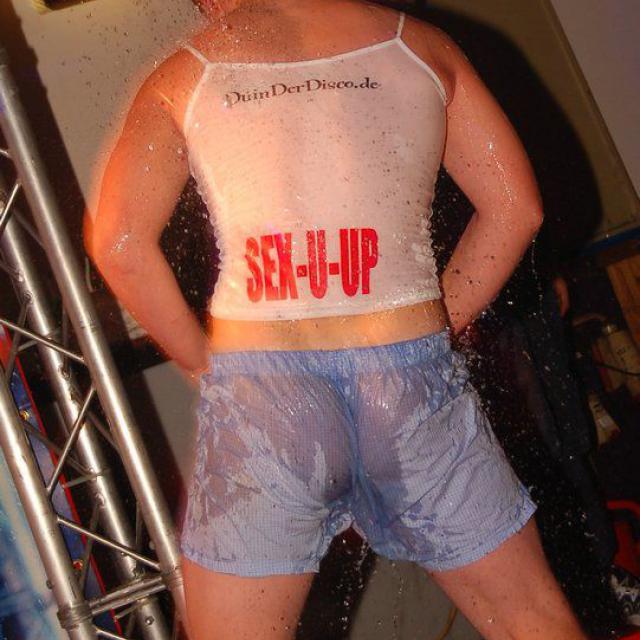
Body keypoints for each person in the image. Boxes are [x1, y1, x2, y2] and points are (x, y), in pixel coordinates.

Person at [84, 0, 589, 638]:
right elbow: (517, 210)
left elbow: (119, 245)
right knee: (531, 621)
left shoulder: (186, 72)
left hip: (266, 396)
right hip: (408, 381)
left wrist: (200, 362)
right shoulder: (420, 45)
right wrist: (441, 320)